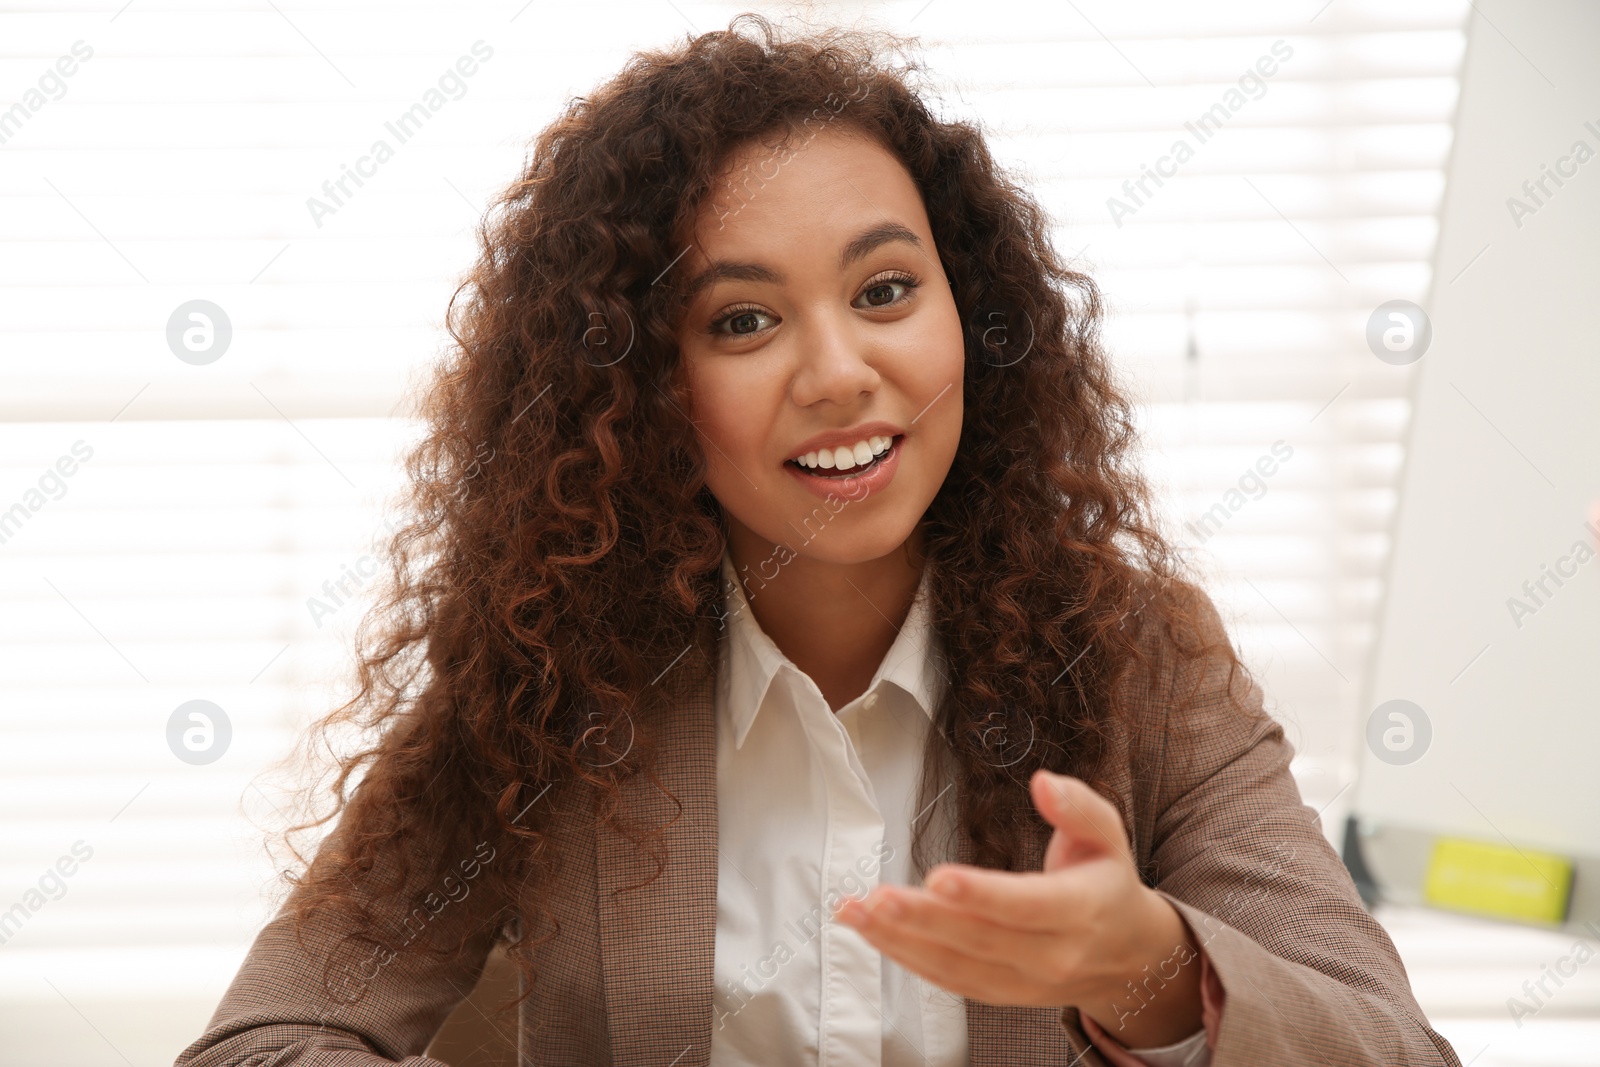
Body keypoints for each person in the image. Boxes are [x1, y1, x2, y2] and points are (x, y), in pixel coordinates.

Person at [174, 14, 1461, 1067]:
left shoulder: (1141, 657)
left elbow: (1396, 1049)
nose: (840, 372)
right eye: (742, 321)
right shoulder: (548, 671)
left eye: (886, 290)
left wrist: (1152, 969)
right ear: (640, 391)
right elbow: (262, 1041)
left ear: (974, 316)